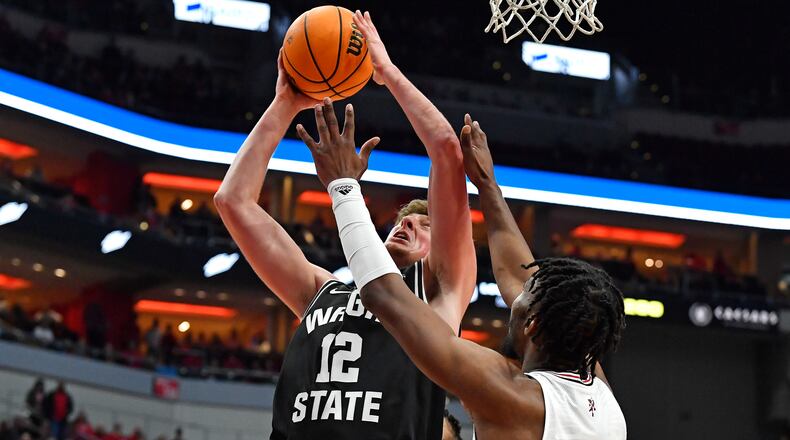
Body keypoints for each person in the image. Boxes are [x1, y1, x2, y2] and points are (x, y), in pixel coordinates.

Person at [214, 11, 475, 439]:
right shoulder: (320, 292)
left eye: (423, 224)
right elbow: (233, 202)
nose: (406, 226)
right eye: (402, 220)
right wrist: (285, 104)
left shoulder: (440, 296)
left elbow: (446, 150)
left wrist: (387, 73)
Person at [307, 113, 627, 439]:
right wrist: (487, 186)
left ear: (532, 324)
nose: (514, 294)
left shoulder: (511, 395)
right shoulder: (596, 387)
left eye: (521, 299)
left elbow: (384, 295)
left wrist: (342, 186)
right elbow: (521, 275)